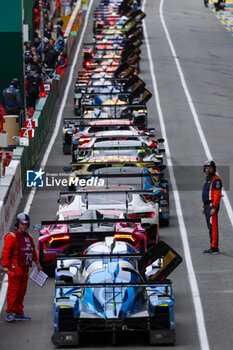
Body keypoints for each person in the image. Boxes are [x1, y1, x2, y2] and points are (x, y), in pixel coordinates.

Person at [1, 213, 42, 322]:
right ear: (18, 224)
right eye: (22, 224)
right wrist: (5, 266)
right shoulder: (12, 236)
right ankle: (10, 312)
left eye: (26, 224)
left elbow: (33, 251)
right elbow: (6, 252)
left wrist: (37, 263)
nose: (24, 226)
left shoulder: (29, 237)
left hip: (24, 268)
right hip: (15, 267)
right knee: (13, 291)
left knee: (22, 291)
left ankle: (19, 312)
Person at [202, 160, 222, 254]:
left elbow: (217, 195)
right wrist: (203, 206)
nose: (208, 169)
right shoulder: (207, 179)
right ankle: (212, 245)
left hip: (211, 206)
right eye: (206, 168)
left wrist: (214, 207)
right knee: (209, 227)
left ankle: (214, 247)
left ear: (213, 169)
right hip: (207, 206)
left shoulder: (216, 180)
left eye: (210, 168)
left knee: (213, 227)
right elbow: (206, 193)